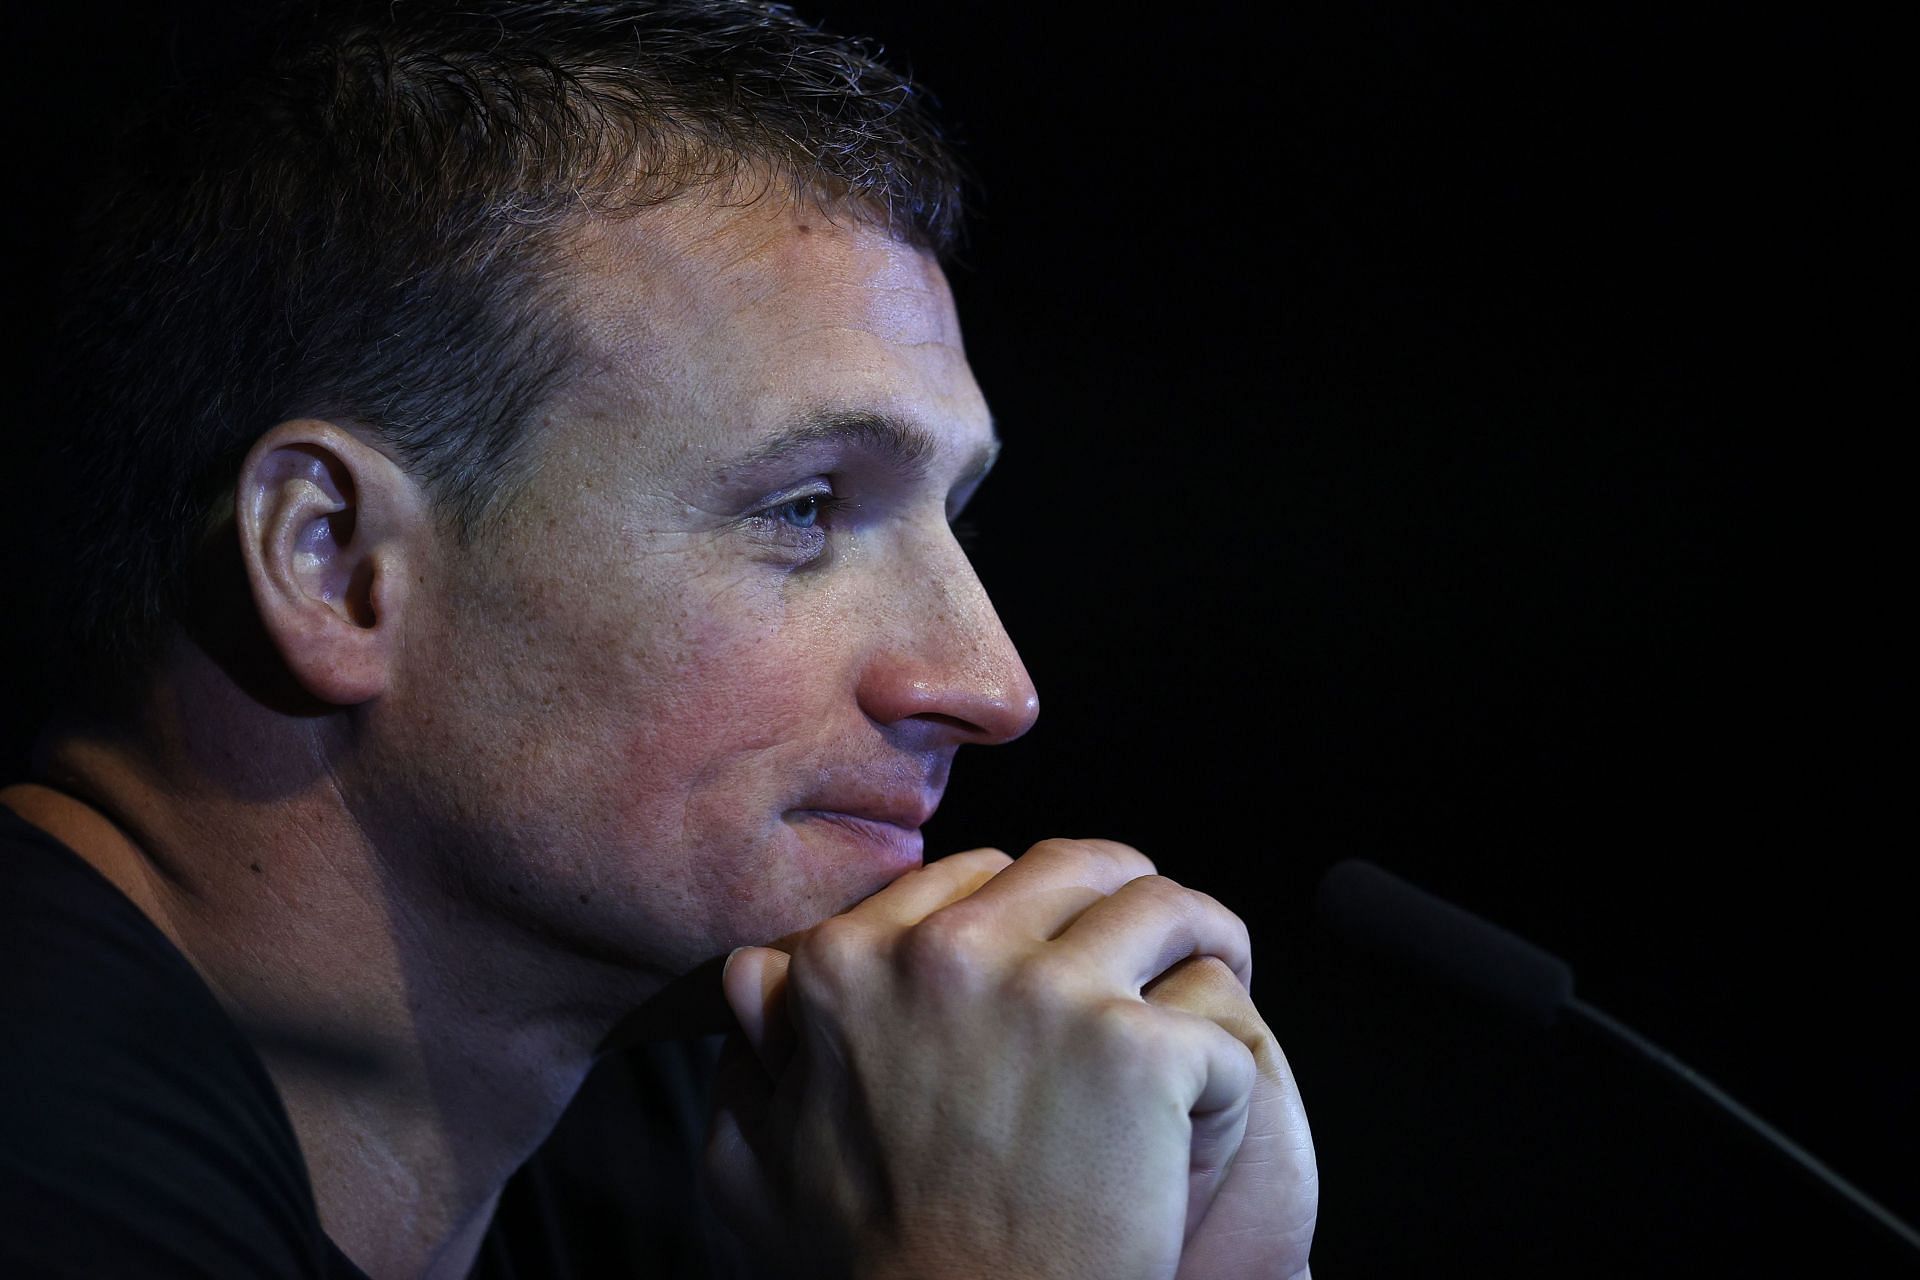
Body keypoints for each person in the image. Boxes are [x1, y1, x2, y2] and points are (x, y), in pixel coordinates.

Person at [0, 1, 1317, 1276]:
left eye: (955, 516)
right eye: (804, 510)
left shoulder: (712, 1143)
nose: (988, 687)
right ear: (334, 565)